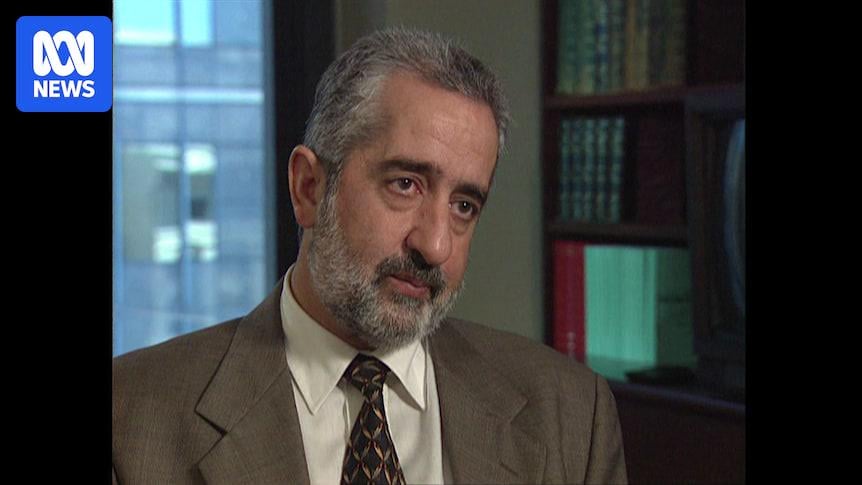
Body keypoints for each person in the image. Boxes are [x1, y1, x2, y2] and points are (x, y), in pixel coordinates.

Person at [112, 27, 627, 485]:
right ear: (309, 188)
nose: (436, 245)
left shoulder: (569, 415)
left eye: (464, 206)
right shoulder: (130, 418)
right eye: (405, 184)